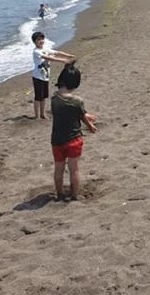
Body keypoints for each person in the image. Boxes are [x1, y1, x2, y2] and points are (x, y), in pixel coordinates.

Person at [50, 63, 97, 201]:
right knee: (74, 169)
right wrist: (90, 125)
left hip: (57, 140)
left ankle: (59, 194)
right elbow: (81, 116)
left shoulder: (54, 99)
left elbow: (68, 111)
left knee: (58, 168)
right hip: (74, 139)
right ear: (75, 83)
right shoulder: (77, 101)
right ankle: (75, 195)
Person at [31, 31, 76, 120]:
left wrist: (69, 55)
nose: (41, 41)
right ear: (34, 41)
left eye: (42, 39)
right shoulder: (36, 52)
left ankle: (42, 114)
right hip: (38, 77)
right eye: (38, 39)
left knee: (44, 96)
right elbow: (48, 58)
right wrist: (63, 60)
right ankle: (36, 115)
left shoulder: (45, 49)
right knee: (38, 97)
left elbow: (56, 52)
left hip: (45, 77)